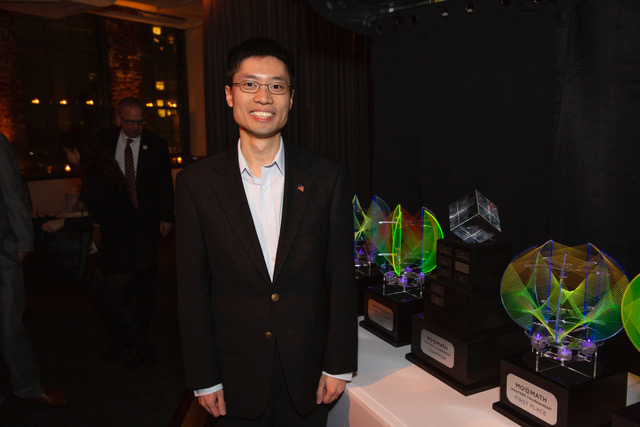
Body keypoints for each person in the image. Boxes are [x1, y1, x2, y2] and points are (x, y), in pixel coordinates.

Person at [176, 37, 358, 425]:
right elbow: (192, 290)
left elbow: (341, 278)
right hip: (234, 376)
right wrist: (204, 379)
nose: (264, 97)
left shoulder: (327, 177)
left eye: (276, 86)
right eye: (250, 84)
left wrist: (339, 364)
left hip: (308, 374)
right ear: (229, 95)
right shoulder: (196, 184)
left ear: (291, 99)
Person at [42, 129, 157, 367]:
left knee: (112, 299)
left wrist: (63, 221)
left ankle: (143, 346)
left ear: (77, 152)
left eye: (67, 153)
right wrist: (69, 214)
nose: (67, 158)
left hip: (124, 246)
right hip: (120, 242)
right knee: (99, 291)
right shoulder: (102, 170)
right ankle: (122, 341)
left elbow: (96, 217)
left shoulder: (96, 176)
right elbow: (100, 208)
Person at [0, 132, 68, 407]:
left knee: (10, 325)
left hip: (3, 252)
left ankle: (28, 386)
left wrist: (23, 244)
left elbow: (13, 192)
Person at [98, 97, 175, 341]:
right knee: (115, 281)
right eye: (130, 122)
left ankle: (140, 332)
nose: (136, 127)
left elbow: (165, 183)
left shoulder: (156, 145)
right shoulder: (104, 141)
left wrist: (166, 216)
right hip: (116, 223)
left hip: (146, 221)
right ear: (119, 119)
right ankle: (119, 332)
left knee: (145, 280)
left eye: (140, 122)